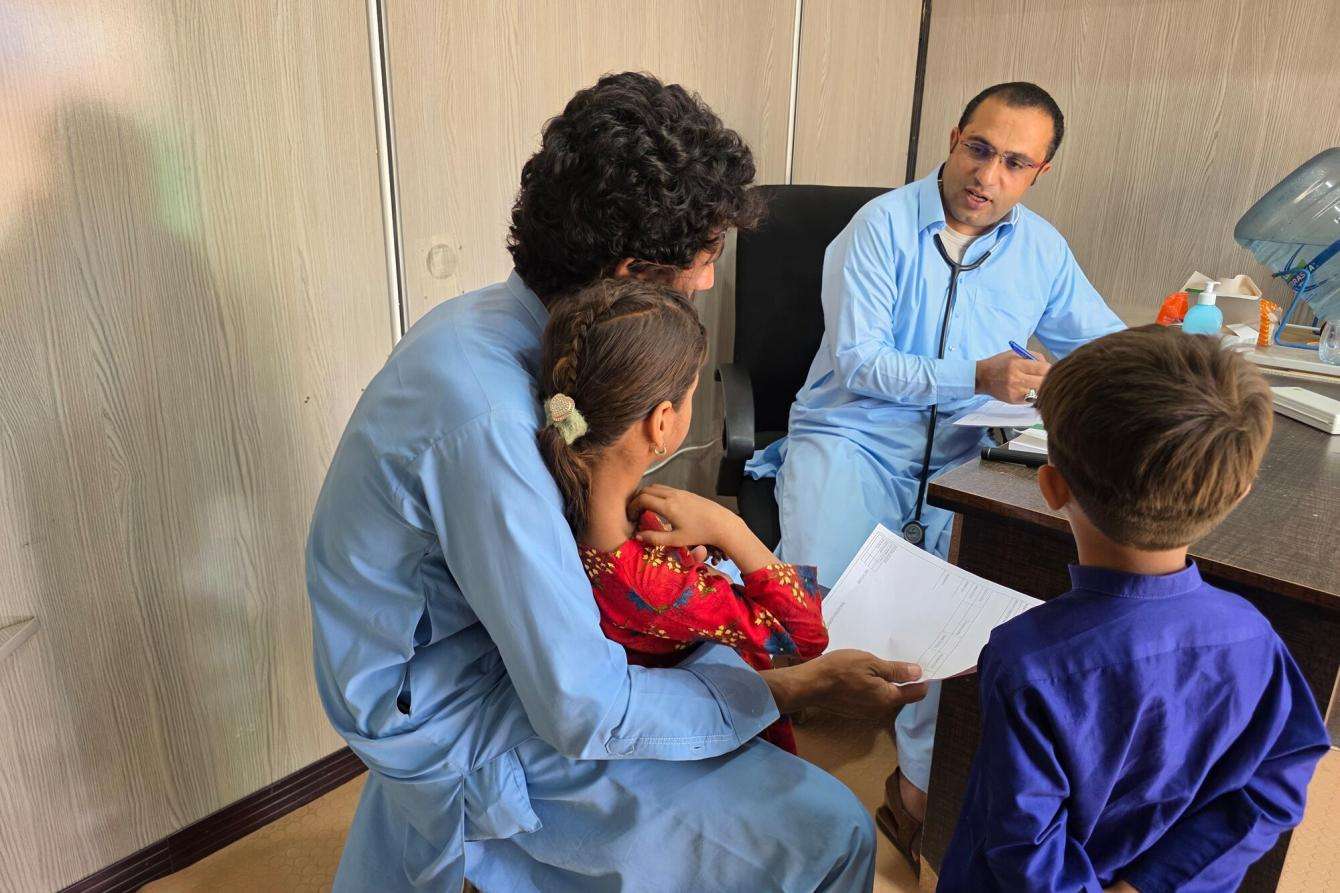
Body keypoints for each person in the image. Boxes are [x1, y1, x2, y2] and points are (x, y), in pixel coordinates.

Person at [306, 71, 927, 892]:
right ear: (633, 271)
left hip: (493, 650)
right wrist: (789, 690)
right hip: (461, 704)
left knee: (715, 667)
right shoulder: (488, 420)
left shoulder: (501, 330)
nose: (709, 282)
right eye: (706, 259)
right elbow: (582, 705)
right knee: (833, 830)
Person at [746, 81, 1126, 868]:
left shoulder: (1042, 251)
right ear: (954, 139)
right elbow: (861, 362)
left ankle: (917, 788)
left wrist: (1167, 363)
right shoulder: (879, 227)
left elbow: (1104, 347)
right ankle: (774, 742)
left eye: (1014, 162)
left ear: (1038, 173)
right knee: (822, 607)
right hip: (851, 435)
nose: (988, 174)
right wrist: (978, 376)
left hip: (962, 454)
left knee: (968, 611)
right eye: (979, 149)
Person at [938, 327, 1331, 892]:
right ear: (1239, 493)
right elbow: (1276, 784)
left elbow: (1026, 848)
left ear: (1050, 486)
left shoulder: (1026, 657)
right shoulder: (1255, 636)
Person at [537, 277, 830, 754]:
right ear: (662, 422)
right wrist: (730, 528)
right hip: (705, 722)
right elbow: (803, 638)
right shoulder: (656, 585)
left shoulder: (569, 494)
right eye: (692, 393)